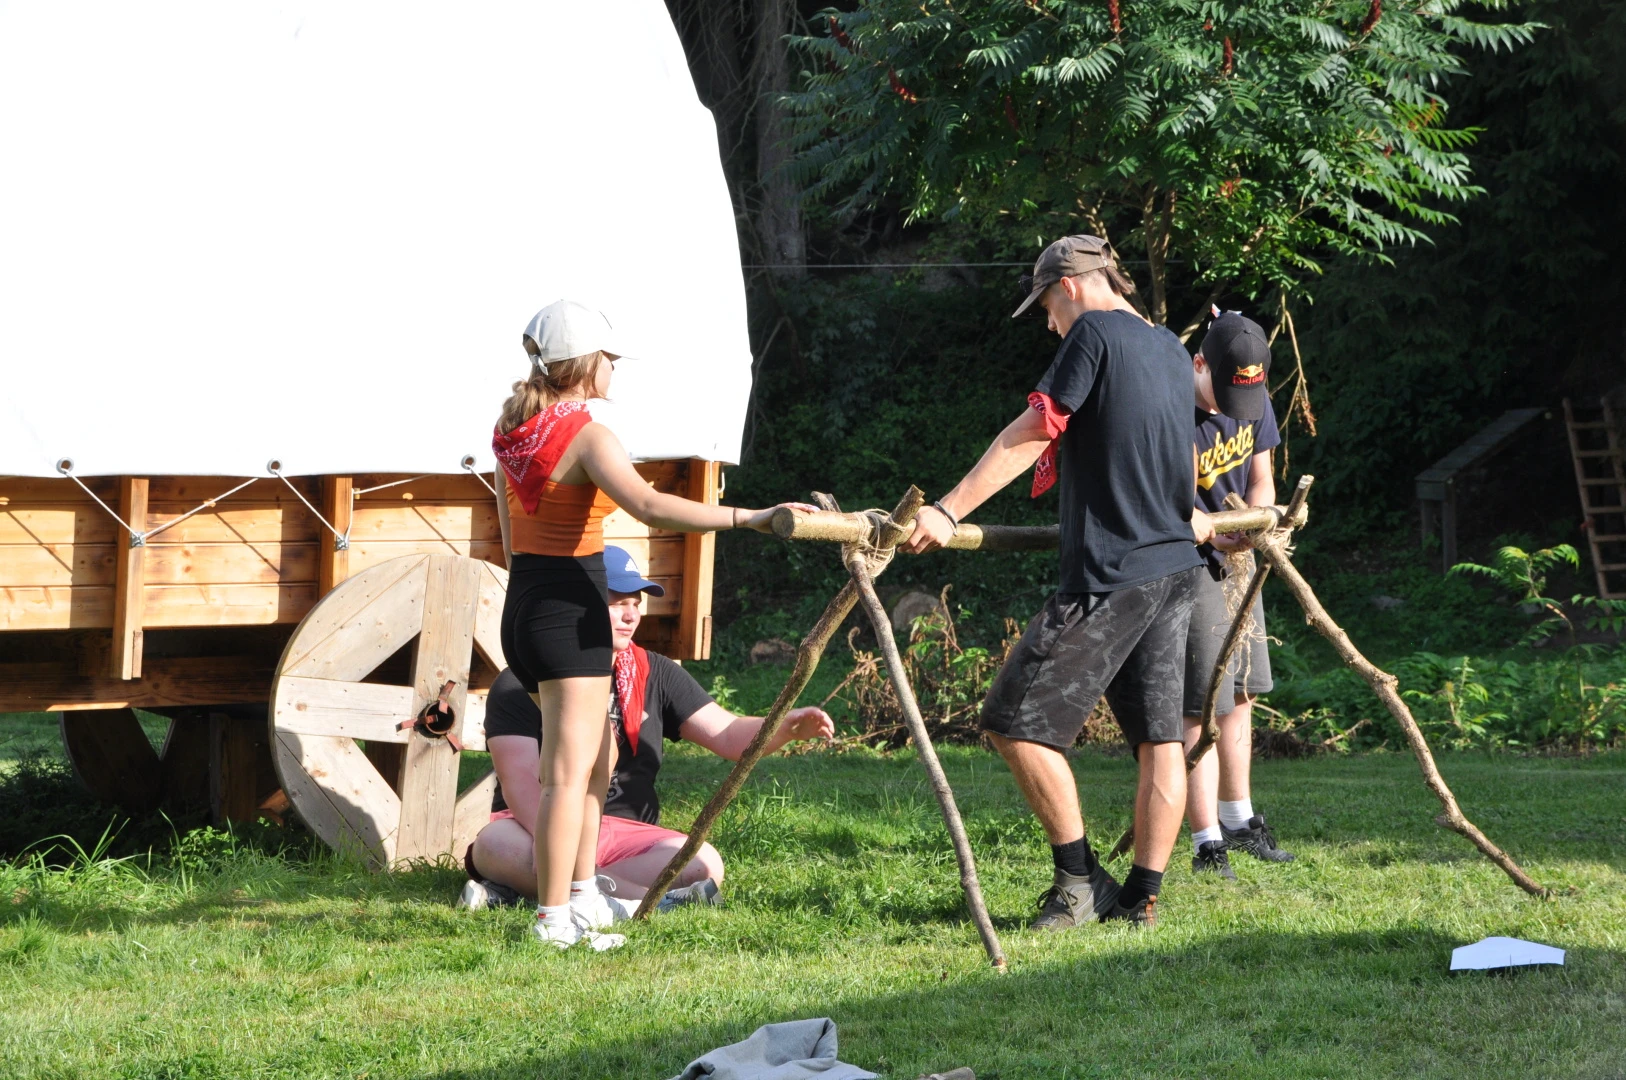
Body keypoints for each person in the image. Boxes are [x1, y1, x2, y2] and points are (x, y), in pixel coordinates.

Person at [904, 235, 1214, 930]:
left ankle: (1079, 882)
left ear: (1070, 284)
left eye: (1046, 305)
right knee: (1160, 740)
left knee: (1012, 720)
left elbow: (1037, 429)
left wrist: (948, 510)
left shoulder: (1093, 332)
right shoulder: (1169, 347)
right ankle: (1141, 900)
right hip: (1176, 570)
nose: (1049, 324)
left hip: (1114, 572)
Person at [491, 299, 813, 950]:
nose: (614, 370)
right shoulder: (588, 433)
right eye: (610, 359)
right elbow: (647, 503)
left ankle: (582, 898)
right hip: (570, 610)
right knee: (567, 775)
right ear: (588, 364)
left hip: (525, 605)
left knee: (596, 760)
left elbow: (507, 538)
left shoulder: (512, 435)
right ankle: (553, 919)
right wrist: (749, 517)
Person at [461, 545, 834, 912]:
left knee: (705, 863)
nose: (631, 616)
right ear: (578, 605)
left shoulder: (656, 672)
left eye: (636, 604)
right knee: (496, 844)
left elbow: (729, 734)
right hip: (534, 826)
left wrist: (783, 727)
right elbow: (521, 784)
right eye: (617, 603)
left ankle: (527, 892)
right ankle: (646, 903)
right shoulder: (522, 681)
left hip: (625, 835)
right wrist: (560, 851)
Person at [1183, 311, 1296, 879]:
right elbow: (1163, 499)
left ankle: (1238, 818)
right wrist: (1210, 532)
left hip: (1240, 560)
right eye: (1225, 393)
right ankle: (1207, 842)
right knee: (1203, 705)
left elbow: (1261, 476)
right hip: (1190, 566)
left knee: (1244, 691)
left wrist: (1258, 520)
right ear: (1199, 363)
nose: (1236, 407)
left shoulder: (1251, 393)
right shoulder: (1170, 409)